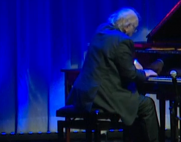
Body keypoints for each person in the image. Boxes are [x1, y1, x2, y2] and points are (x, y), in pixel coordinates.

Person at [67, 8, 159, 142]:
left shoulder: (102, 30)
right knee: (147, 104)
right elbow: (129, 75)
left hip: (86, 94)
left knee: (134, 99)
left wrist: (131, 65)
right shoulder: (123, 41)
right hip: (103, 95)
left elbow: (110, 58)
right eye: (135, 28)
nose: (134, 32)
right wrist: (144, 73)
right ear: (127, 27)